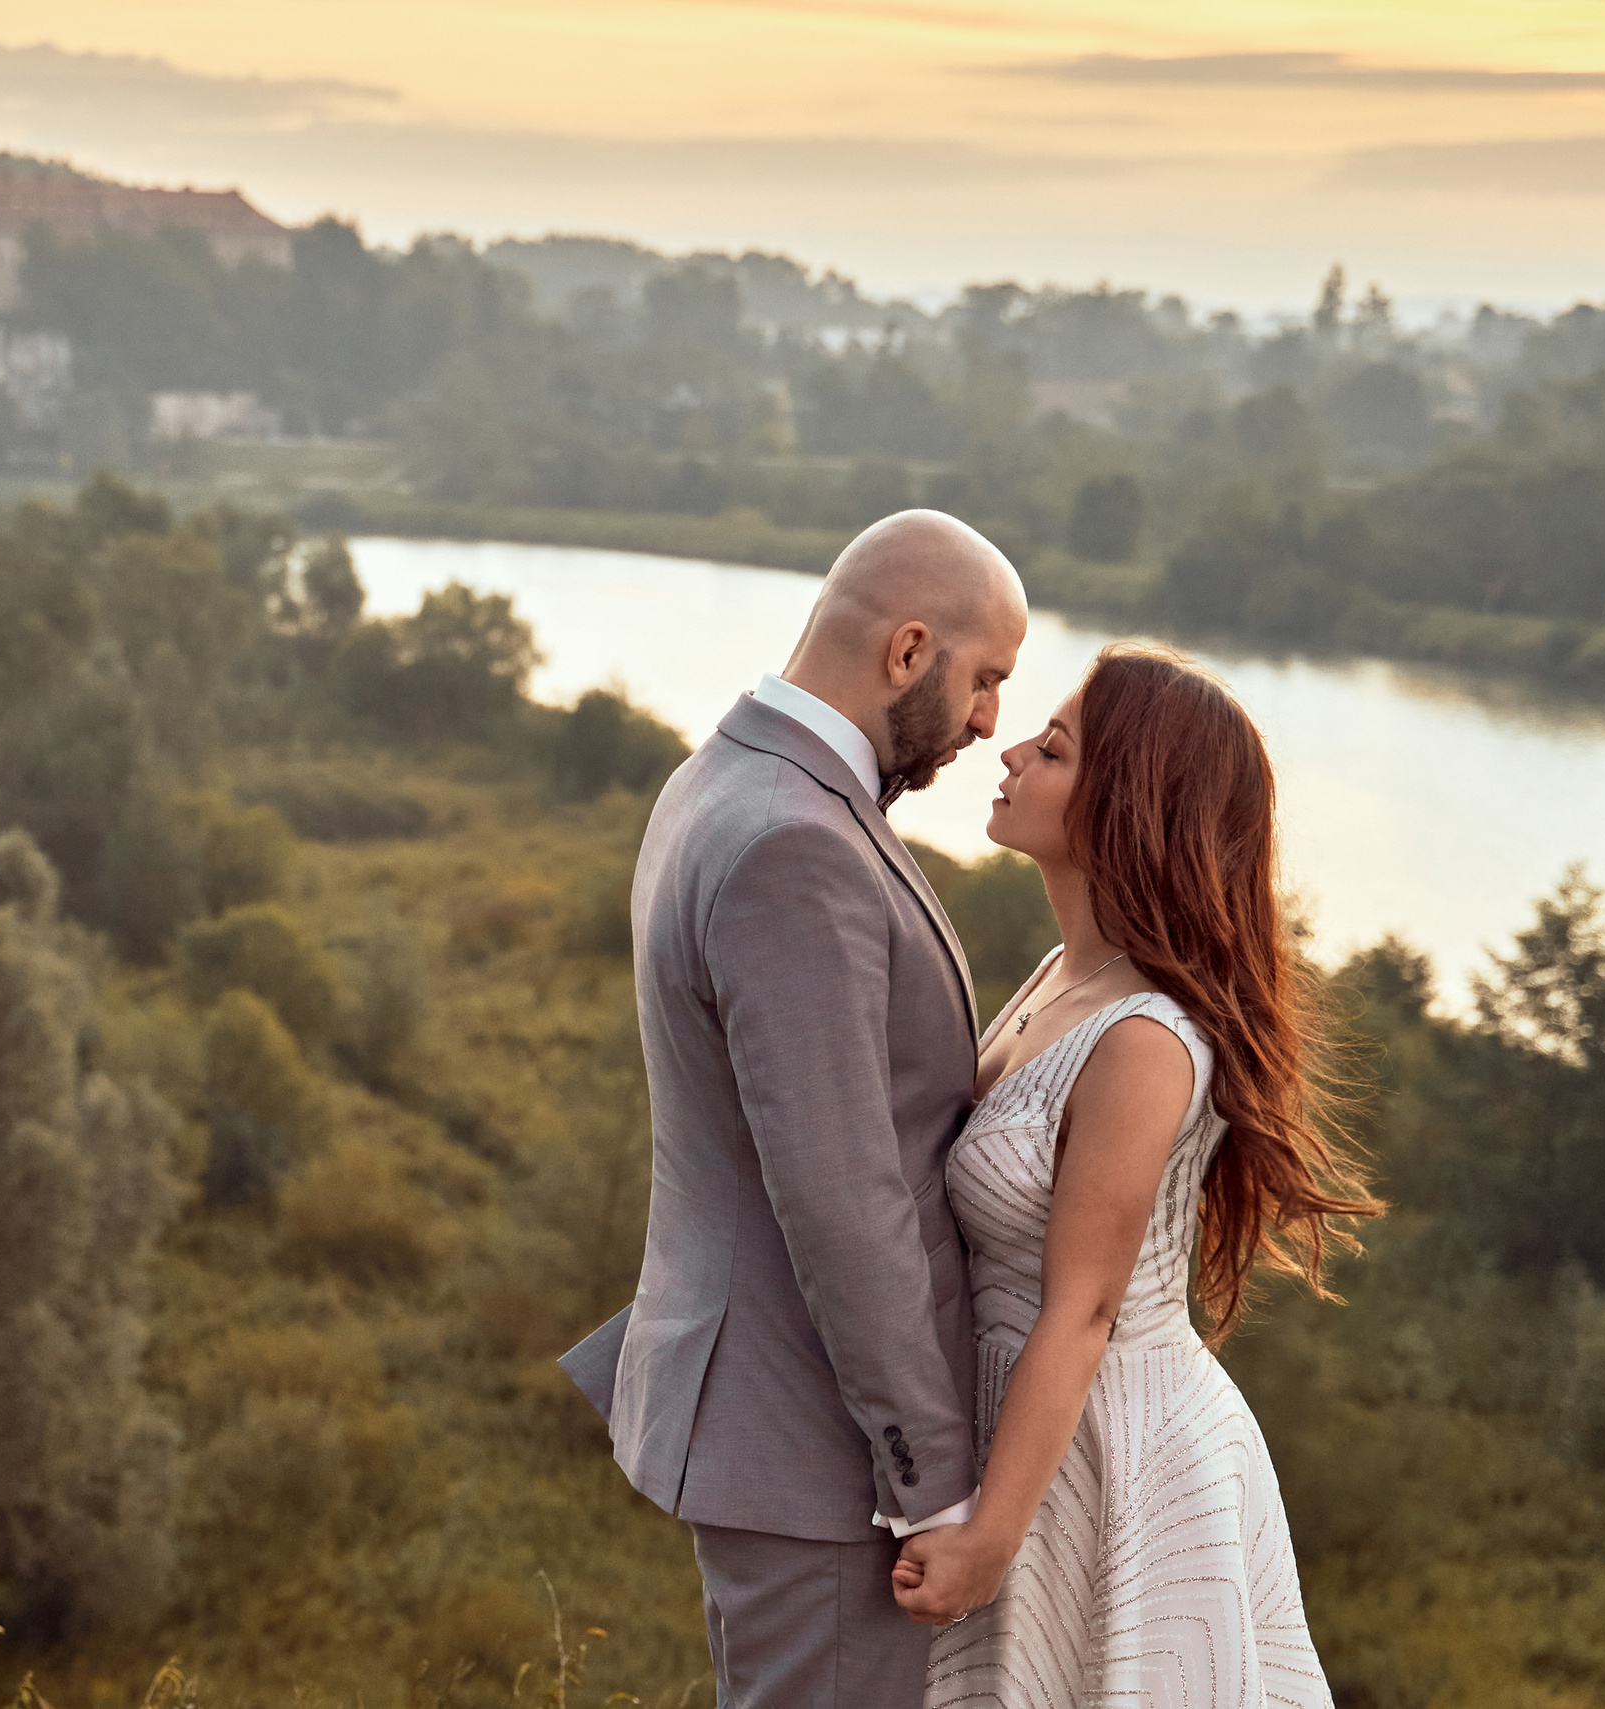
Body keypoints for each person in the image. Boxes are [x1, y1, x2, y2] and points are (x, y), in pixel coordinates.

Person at [558, 510, 1031, 1709]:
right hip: (823, 1450)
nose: (989, 720)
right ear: (907, 649)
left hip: (782, 1421)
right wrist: (931, 1481)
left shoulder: (726, 775)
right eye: (984, 679)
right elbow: (840, 1197)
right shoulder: (794, 841)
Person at [892, 642, 1381, 1708]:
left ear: (1128, 804)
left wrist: (990, 1540)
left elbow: (1085, 1306)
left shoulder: (1144, 1039)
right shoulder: (1060, 975)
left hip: (1106, 1457)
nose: (1010, 749)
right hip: (1028, 1425)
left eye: (1054, 748)